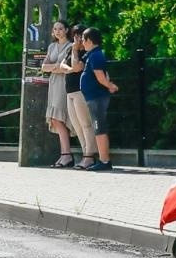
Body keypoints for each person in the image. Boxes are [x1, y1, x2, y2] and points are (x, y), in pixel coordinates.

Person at [77, 27, 118, 171]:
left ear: (89, 40)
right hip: (93, 97)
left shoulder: (96, 55)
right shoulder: (92, 54)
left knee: (99, 127)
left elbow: (100, 76)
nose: (82, 42)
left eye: (83, 39)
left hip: (97, 97)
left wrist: (110, 86)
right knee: (98, 127)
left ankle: (104, 161)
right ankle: (103, 159)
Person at [61, 23, 97, 170]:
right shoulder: (71, 49)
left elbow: (77, 66)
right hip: (69, 92)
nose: (76, 38)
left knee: (86, 124)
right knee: (76, 125)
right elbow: (62, 65)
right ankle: (84, 153)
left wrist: (75, 52)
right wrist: (69, 69)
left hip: (81, 91)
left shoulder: (84, 52)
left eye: (79, 36)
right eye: (74, 35)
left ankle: (90, 156)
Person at [41, 20, 76, 167]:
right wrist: (56, 67)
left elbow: (68, 67)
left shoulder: (70, 46)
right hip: (54, 82)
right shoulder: (52, 46)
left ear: (66, 30)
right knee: (55, 119)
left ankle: (67, 154)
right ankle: (65, 154)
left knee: (61, 117)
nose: (58, 31)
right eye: (55, 29)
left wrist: (54, 67)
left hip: (64, 83)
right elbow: (44, 66)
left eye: (60, 28)